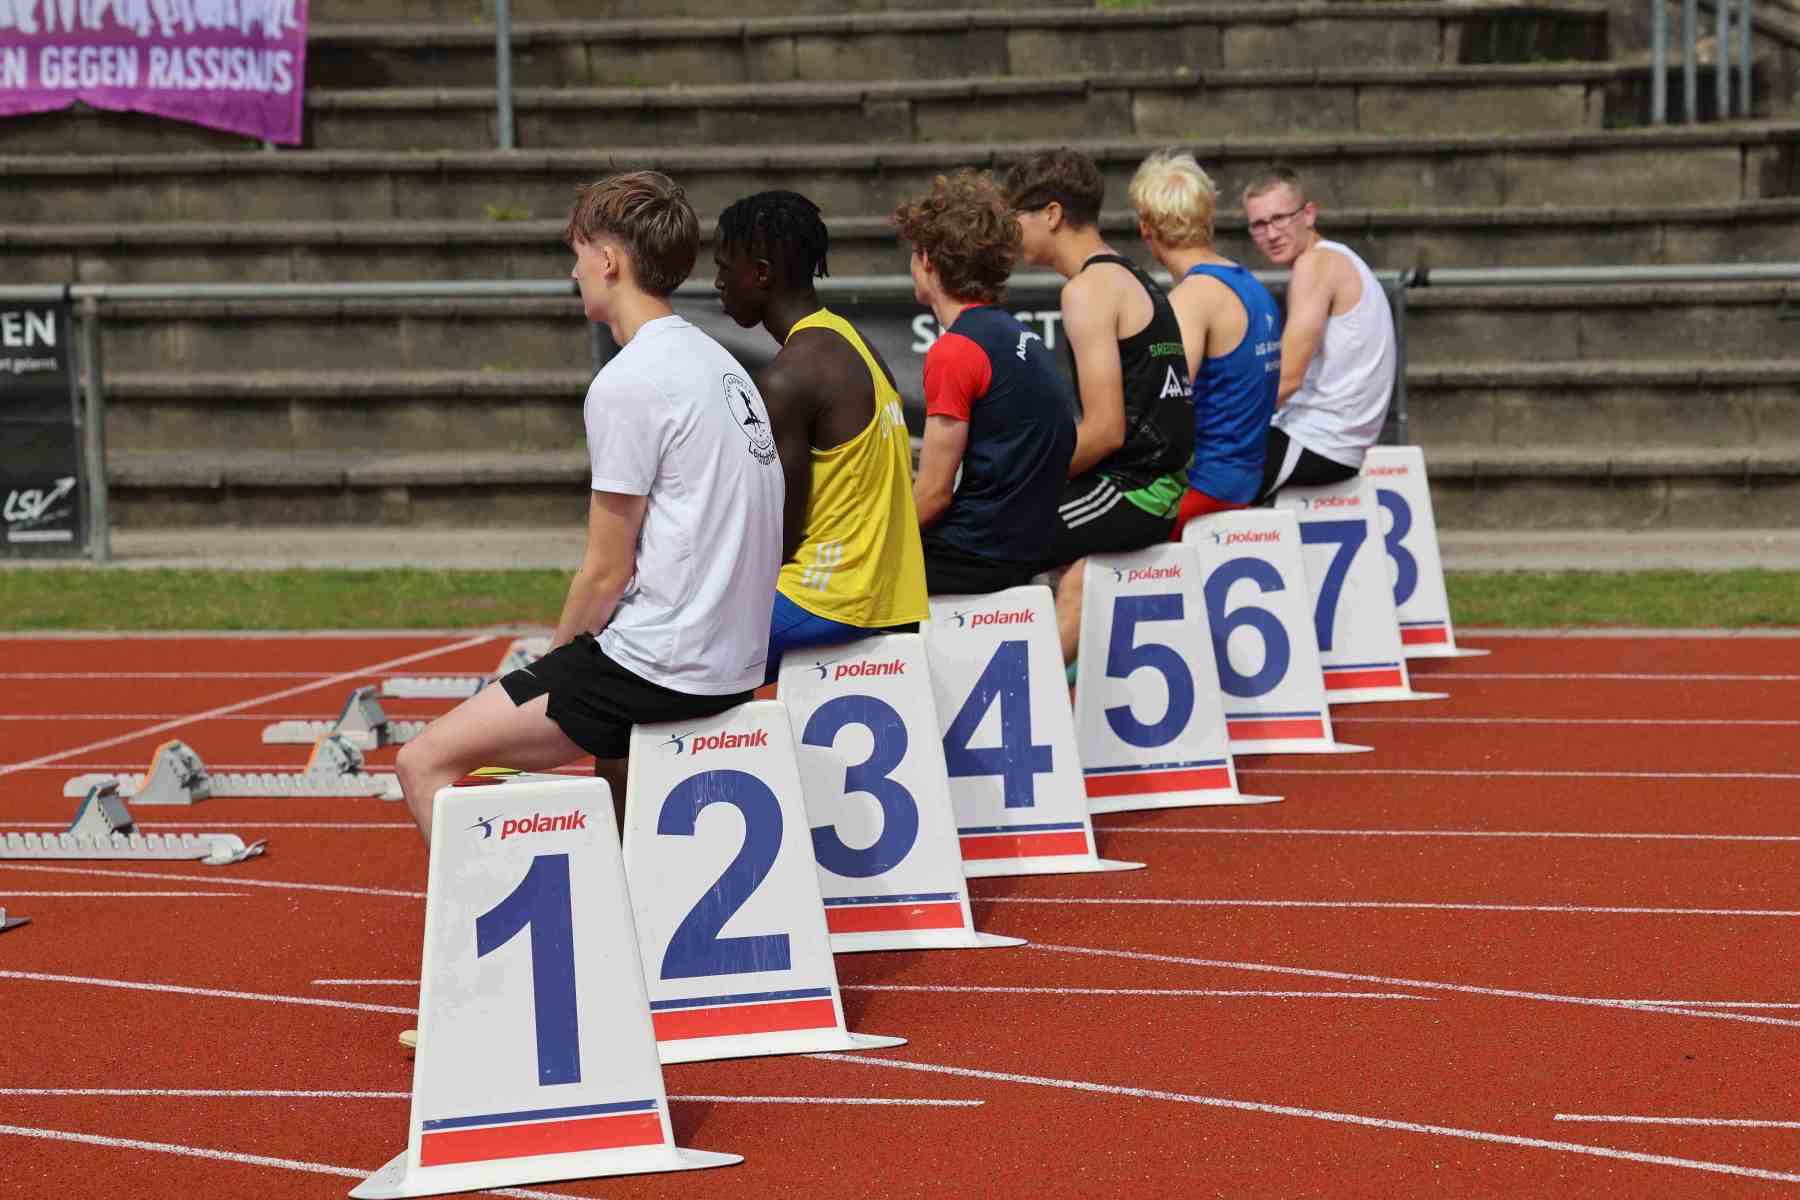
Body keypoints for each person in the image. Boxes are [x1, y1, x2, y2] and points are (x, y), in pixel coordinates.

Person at [394, 171, 784, 843]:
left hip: (664, 668)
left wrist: (548, 671)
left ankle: (498, 916)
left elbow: (606, 573)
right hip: (734, 663)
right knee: (609, 743)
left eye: (577, 254)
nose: (573, 272)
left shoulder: (629, 381)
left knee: (420, 761)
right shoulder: (722, 364)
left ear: (608, 260)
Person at [712, 189, 929, 679]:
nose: (718, 282)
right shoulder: (853, 342)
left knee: (663, 655)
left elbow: (779, 536)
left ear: (761, 274)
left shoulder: (788, 378)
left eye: (725, 268)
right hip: (890, 599)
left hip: (829, 601)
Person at [1003, 148, 1194, 662]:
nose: (1010, 230)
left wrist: (1020, 477)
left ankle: (1009, 697)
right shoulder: (1129, 274)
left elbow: (1106, 430)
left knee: (985, 541)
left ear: (1051, 214)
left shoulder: (1087, 291)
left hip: (1138, 490)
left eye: (1016, 215)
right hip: (1150, 481)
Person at [893, 169, 1077, 595]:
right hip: (1025, 545)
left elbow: (933, 495)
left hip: (976, 554)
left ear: (927, 260)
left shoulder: (955, 350)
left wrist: (864, 544)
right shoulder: (1022, 335)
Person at [1128, 150, 1281, 539]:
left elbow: (1167, 408)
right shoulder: (1252, 286)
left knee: (1065, 529)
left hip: (1205, 486)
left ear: (1146, 229)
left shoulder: (1191, 299)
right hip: (1245, 478)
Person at [1242, 165, 1396, 498]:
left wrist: (1223, 419)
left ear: (1309, 214)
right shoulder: (1334, 258)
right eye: (1259, 224)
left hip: (1321, 442)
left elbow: (1287, 378)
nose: (1271, 234)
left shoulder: (1315, 265)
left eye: (1280, 218)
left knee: (1194, 474)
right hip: (1333, 440)